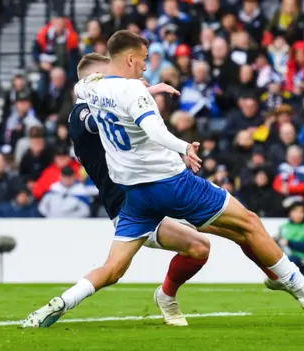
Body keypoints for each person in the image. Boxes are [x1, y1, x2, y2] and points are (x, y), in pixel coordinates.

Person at [22, 53, 211, 328]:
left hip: (139, 196)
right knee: (201, 243)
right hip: (132, 202)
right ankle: (167, 296)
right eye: (106, 76)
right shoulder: (82, 114)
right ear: (91, 81)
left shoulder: (93, 108)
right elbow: (104, 115)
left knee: (116, 269)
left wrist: (144, 91)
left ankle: (62, 302)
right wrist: (141, 93)